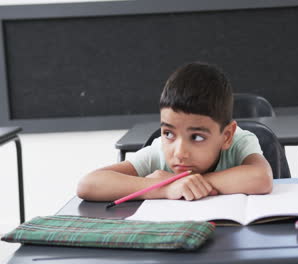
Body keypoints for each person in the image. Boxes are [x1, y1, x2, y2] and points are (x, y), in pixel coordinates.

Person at [77, 62, 273, 202]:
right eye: (169, 134)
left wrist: (182, 182)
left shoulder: (240, 142)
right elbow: (88, 185)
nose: (179, 152)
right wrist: (165, 189)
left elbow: (260, 178)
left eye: (196, 137)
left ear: (227, 136)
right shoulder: (159, 152)